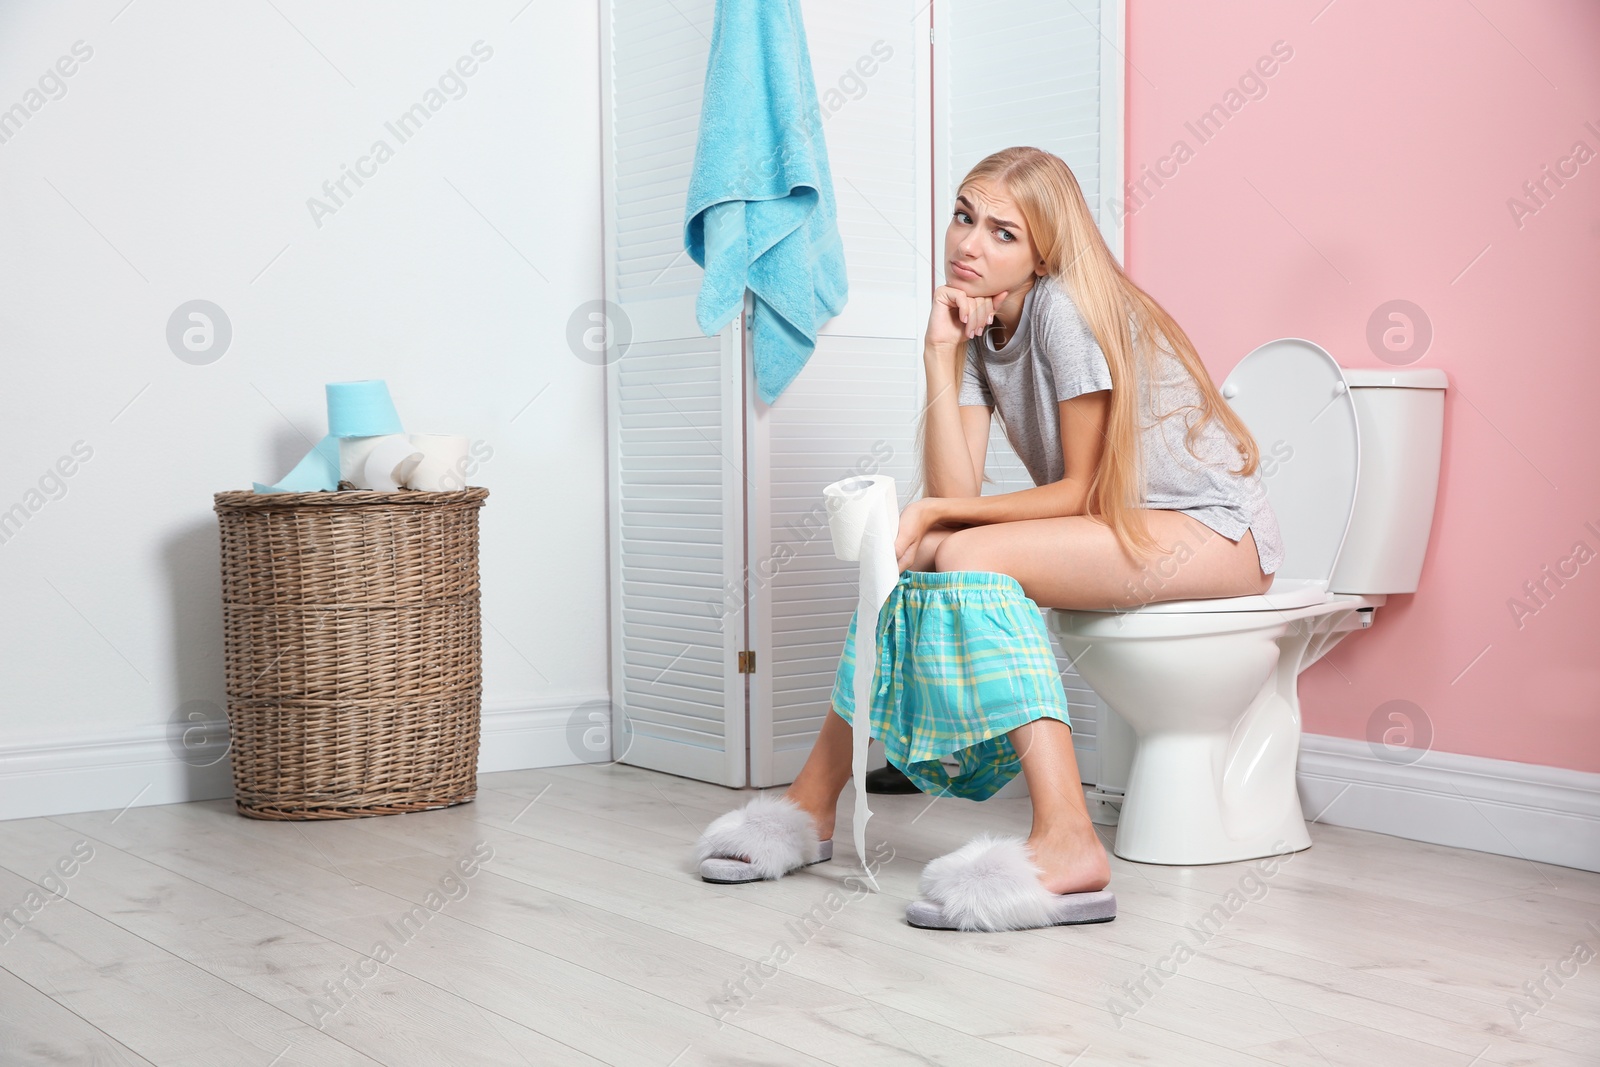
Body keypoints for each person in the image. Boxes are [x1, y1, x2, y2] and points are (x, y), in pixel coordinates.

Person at [694, 146, 1285, 930]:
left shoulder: (1063, 311)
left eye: (1003, 233)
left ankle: (1070, 834)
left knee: (959, 548)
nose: (969, 244)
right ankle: (812, 803)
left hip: (1215, 530)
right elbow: (958, 489)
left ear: (1043, 254)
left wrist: (939, 518)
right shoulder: (978, 319)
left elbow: (1077, 489)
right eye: (964, 217)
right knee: (908, 561)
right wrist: (941, 354)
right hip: (1130, 520)